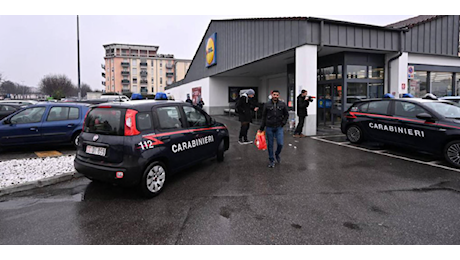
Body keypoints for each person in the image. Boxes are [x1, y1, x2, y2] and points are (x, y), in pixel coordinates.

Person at [259, 90, 289, 168]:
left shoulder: (282, 104)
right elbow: (264, 116)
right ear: (271, 95)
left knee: (280, 143)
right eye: (274, 94)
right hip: (269, 127)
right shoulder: (267, 104)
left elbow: (286, 114)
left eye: (277, 95)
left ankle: (277, 154)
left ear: (279, 96)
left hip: (279, 127)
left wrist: (283, 123)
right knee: (270, 145)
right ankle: (271, 160)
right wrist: (262, 127)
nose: (275, 96)